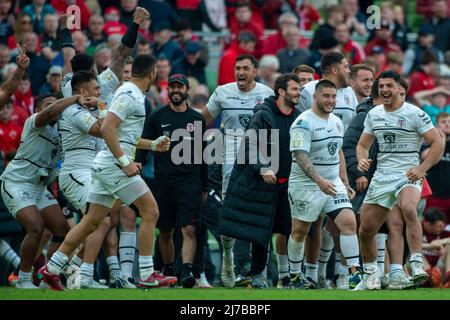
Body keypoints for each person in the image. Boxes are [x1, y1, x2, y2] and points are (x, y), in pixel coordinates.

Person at [39, 54, 177, 291]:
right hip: (113, 166)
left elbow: (123, 135)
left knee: (92, 222)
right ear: (153, 73)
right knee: (151, 211)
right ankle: (146, 272)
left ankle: (51, 269)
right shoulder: (130, 94)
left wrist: (153, 145)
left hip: (104, 165)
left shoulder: (131, 94)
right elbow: (107, 128)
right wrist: (124, 162)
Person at [356, 70, 444, 290]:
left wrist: (422, 168)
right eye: (381, 86)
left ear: (398, 89)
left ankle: (415, 263)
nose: (384, 90)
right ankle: (370, 275)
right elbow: (362, 145)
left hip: (408, 173)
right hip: (382, 175)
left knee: (408, 208)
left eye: (389, 86)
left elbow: (437, 143)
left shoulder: (415, 113)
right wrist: (362, 159)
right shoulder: (374, 114)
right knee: (365, 229)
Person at [0, 89, 91, 289]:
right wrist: (75, 97)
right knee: (36, 227)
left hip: (39, 187)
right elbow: (50, 112)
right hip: (16, 182)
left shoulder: (61, 132)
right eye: (48, 105)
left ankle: (47, 277)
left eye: (54, 104)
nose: (53, 109)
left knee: (62, 230)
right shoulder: (34, 121)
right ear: (38, 108)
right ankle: (23, 278)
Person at [220, 73, 301, 289]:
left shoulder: (299, 116)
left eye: (300, 89)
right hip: (263, 183)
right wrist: (263, 166)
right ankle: (258, 275)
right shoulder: (263, 115)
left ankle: (290, 277)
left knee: (292, 230)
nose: (298, 93)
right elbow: (249, 144)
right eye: (294, 89)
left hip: (289, 183)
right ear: (281, 91)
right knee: (260, 233)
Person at [202, 54, 273, 288]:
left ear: (255, 71)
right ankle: (228, 261)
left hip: (260, 153)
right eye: (237, 68)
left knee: (259, 212)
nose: (240, 73)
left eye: (245, 68)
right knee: (230, 211)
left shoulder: (267, 94)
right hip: (230, 154)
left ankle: (258, 271)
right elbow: (202, 119)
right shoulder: (223, 91)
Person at [288, 79, 362, 289]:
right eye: (326, 96)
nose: (331, 100)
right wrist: (318, 180)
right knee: (300, 231)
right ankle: (294, 276)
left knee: (348, 222)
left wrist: (345, 182)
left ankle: (354, 274)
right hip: (306, 184)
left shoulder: (336, 121)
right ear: (315, 97)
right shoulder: (303, 122)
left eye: (333, 96)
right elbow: (300, 156)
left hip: (333, 183)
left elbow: (338, 152)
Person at [137, 73, 208, 288]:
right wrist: (137, 166)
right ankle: (168, 269)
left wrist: (204, 185)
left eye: (180, 87)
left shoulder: (197, 120)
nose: (176, 90)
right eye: (172, 87)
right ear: (168, 90)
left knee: (188, 229)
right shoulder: (157, 117)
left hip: (190, 182)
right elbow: (143, 147)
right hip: (163, 182)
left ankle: (186, 271)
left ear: (187, 91)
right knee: (165, 230)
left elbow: (202, 155)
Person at [299, 51, 358, 132]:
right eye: (346, 67)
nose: (349, 71)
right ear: (335, 70)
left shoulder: (350, 92)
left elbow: (355, 126)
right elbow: (297, 124)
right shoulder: (307, 90)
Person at [421, 208, 450, 288]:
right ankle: (430, 274)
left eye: (443, 226)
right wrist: (430, 246)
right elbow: (407, 244)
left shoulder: (444, 233)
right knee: (414, 250)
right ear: (428, 225)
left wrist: (440, 242)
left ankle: (449, 277)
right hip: (422, 275)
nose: (442, 228)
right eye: (439, 226)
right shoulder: (418, 230)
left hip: (439, 274)